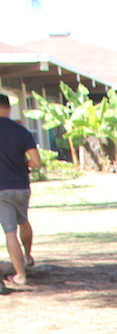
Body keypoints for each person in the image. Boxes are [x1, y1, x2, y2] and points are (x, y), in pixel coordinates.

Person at [0, 93, 40, 290]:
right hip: (21, 186)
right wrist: (23, 164)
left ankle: (20, 275)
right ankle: (28, 256)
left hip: (1, 189)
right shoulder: (22, 131)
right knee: (23, 221)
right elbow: (36, 162)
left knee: (9, 232)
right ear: (8, 108)